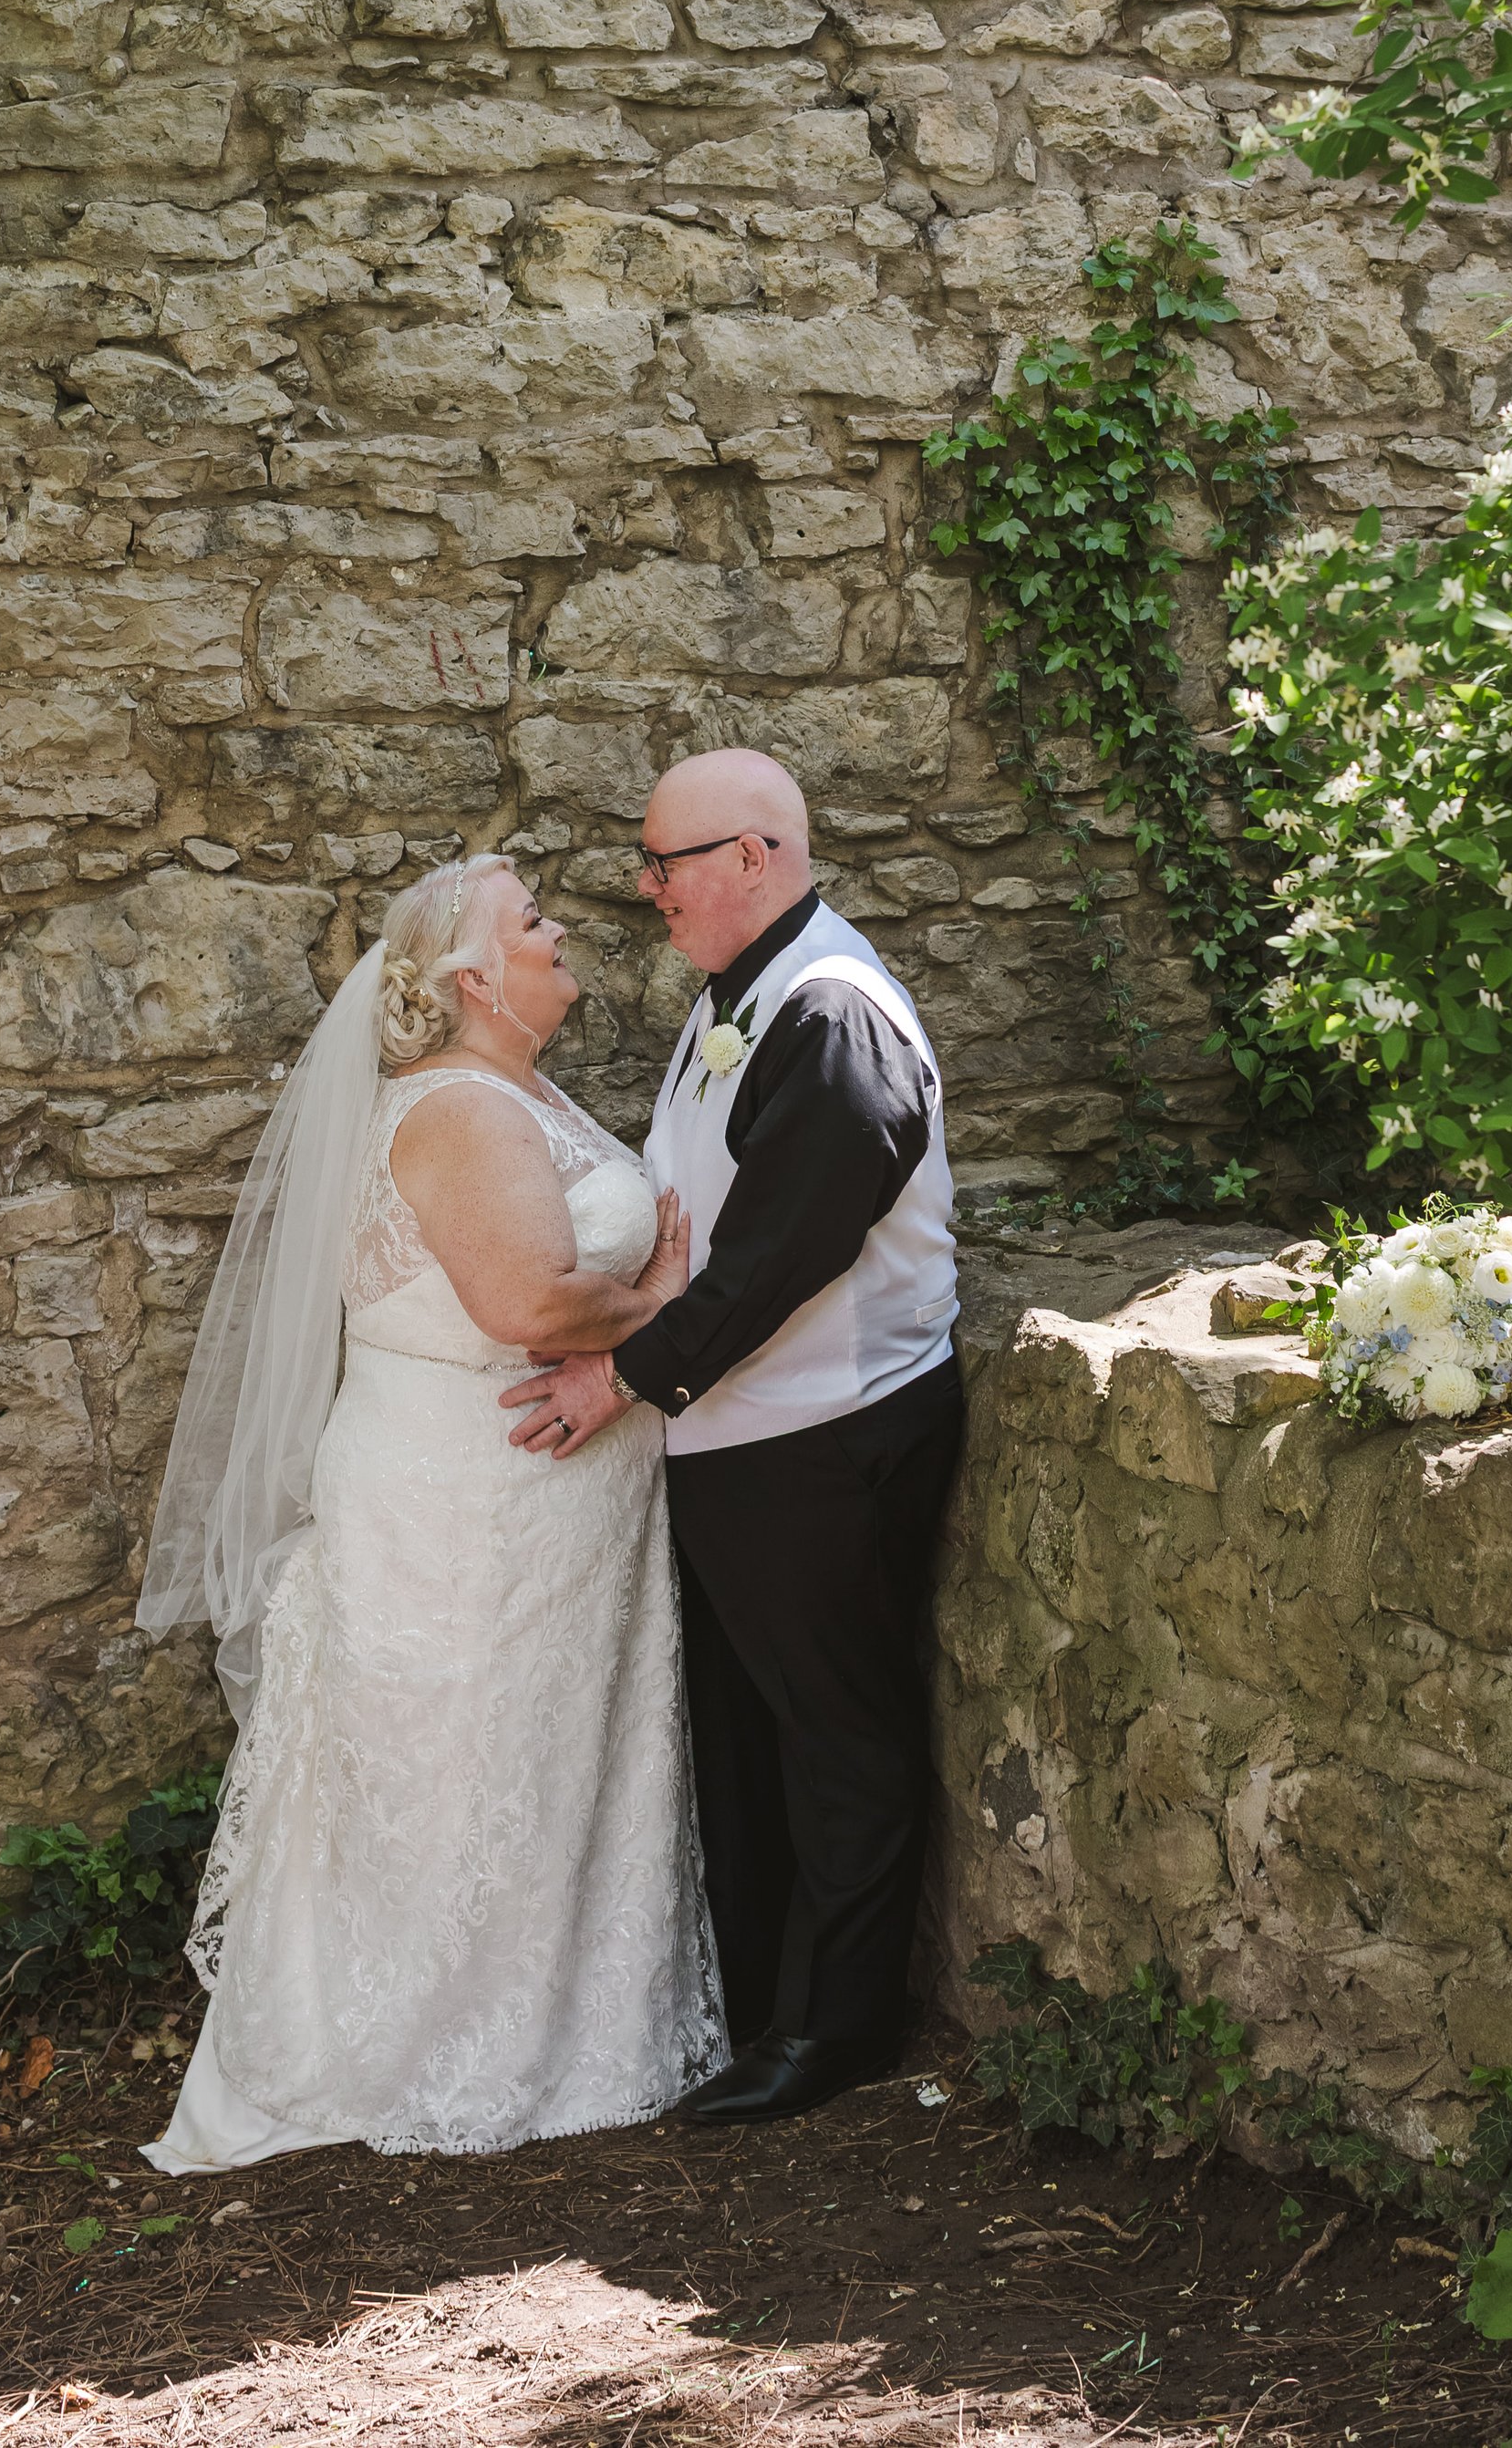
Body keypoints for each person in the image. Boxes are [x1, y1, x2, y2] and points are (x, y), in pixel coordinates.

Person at [135, 855, 724, 2171]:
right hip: (468, 1505)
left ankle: (566, 2029)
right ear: (472, 978)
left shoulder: (519, 1089)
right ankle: (440, 2045)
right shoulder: (459, 1108)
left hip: (541, 1505)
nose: (561, 927)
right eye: (532, 921)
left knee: (530, 1762)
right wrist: (682, 1307)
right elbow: (529, 1305)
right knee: (459, 1771)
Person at [507, 750, 962, 2125]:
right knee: (749, 1733)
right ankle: (763, 2004)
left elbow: (782, 1259)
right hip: (750, 1436)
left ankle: (836, 2034)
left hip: (829, 1433)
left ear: (754, 857)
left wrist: (621, 1375)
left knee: (836, 1736)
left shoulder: (833, 1015)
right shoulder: (744, 999)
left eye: (667, 861)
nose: (648, 888)